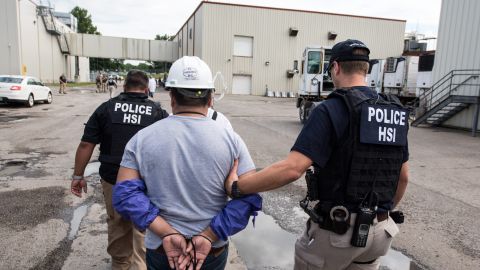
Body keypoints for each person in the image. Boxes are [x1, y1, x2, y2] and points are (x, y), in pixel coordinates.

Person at [225, 39, 410, 270]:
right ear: (366, 69)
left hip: (339, 233)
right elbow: (402, 178)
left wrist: (238, 187)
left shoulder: (330, 109)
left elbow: (292, 169)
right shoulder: (392, 111)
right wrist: (379, 214)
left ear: (335, 68)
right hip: (381, 233)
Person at [112, 56, 261, 270]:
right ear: (211, 99)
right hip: (211, 250)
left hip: (162, 250)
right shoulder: (232, 140)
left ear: (172, 97)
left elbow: (125, 195)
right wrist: (209, 234)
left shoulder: (141, 139)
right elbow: (250, 197)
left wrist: (167, 232)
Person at [71, 70, 169, 270]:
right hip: (147, 183)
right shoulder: (158, 113)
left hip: (114, 180)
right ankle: (142, 265)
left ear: (124, 87)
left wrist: (78, 176)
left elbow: (85, 145)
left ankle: (120, 264)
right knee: (144, 228)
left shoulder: (106, 109)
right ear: (146, 89)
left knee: (118, 225)